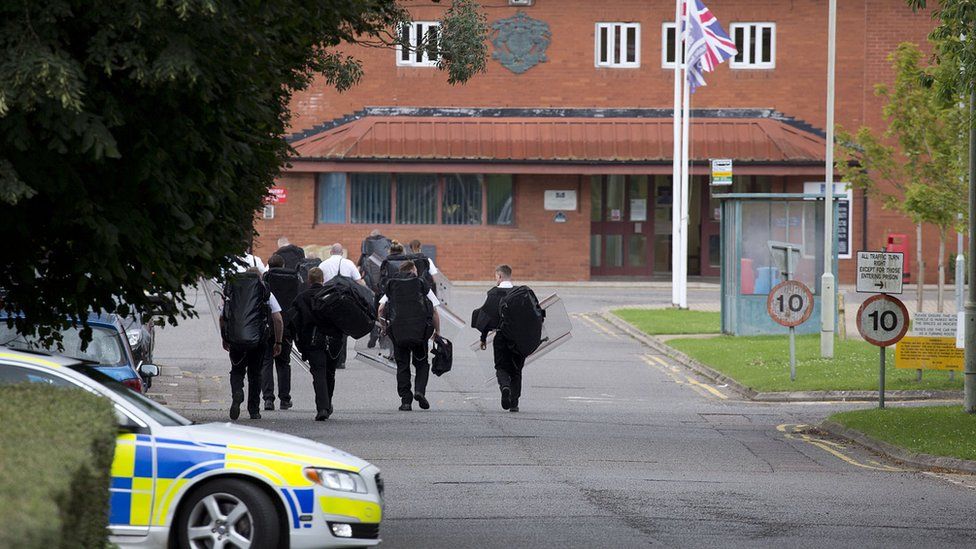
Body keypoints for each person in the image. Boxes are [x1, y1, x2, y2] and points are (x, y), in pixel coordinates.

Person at [221, 267, 283, 420]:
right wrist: (278, 341)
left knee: (236, 370)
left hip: (236, 338)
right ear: (259, 279)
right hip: (258, 340)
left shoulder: (234, 292)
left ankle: (237, 392)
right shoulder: (264, 292)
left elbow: (223, 317)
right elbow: (278, 319)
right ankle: (254, 410)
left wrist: (225, 337)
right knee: (255, 374)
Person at [378, 261, 440, 411]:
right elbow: (434, 311)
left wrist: (384, 328)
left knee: (402, 365)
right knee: (421, 363)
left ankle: (406, 401)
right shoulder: (420, 283)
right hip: (419, 332)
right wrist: (437, 331)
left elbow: (380, 309)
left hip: (398, 332)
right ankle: (419, 390)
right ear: (413, 270)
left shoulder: (392, 285)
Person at [291, 267, 344, 421]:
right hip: (333, 340)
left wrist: (299, 342)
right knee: (330, 373)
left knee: (318, 373)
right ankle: (328, 403)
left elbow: (296, 321)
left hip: (312, 341)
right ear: (323, 279)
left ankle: (322, 407)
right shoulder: (332, 295)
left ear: (309, 280)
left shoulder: (301, 297)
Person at [475, 264, 523, 413]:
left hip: (501, 336)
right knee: (516, 370)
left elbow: (486, 317)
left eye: (496, 276)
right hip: (519, 338)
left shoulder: (493, 293)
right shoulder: (521, 293)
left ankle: (505, 387)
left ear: (500, 276)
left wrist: (483, 338)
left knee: (501, 367)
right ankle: (514, 403)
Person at [261, 254, 301, 411]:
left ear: (268, 265)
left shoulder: (266, 279)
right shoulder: (293, 279)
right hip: (286, 326)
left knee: (266, 362)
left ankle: (268, 399)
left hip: (267, 325)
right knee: (284, 363)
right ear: (283, 265)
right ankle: (285, 399)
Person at [320, 243, 365, 368]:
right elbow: (358, 281)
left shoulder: (323, 264)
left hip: (328, 300)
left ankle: (330, 357)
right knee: (343, 330)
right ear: (342, 253)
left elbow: (318, 282)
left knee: (328, 329)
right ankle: (341, 360)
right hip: (345, 300)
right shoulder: (349, 263)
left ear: (330, 252)